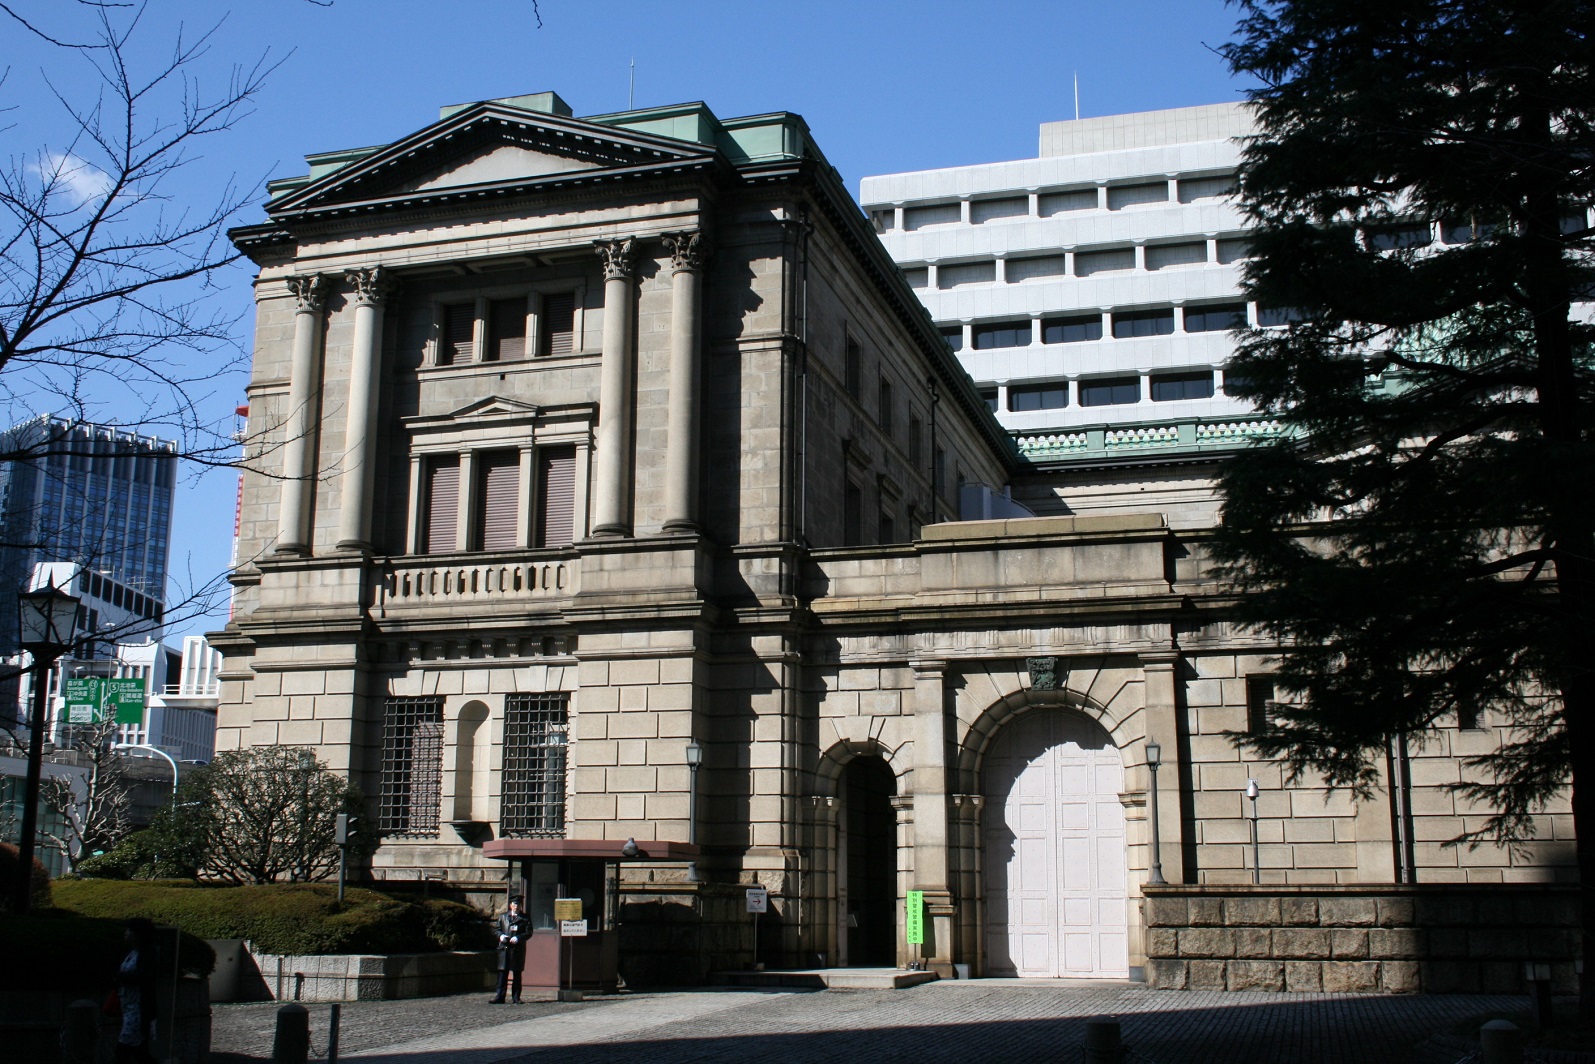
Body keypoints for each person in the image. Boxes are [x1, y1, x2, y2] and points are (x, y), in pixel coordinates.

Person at [115, 917, 159, 1063]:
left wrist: (120, 977)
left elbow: (143, 977)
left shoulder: (148, 953)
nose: (126, 934)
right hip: (128, 1006)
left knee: (125, 1049)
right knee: (139, 1051)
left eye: (129, 931)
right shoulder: (131, 952)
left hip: (140, 1008)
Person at [490, 895, 531, 1004]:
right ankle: (500, 996)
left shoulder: (525, 918)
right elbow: (496, 929)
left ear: (521, 906)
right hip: (504, 949)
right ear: (510, 905)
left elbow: (529, 932)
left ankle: (516, 997)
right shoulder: (503, 917)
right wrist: (501, 936)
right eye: (514, 905)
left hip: (517, 949)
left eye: (518, 905)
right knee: (502, 974)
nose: (516, 907)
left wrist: (518, 937)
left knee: (517, 974)